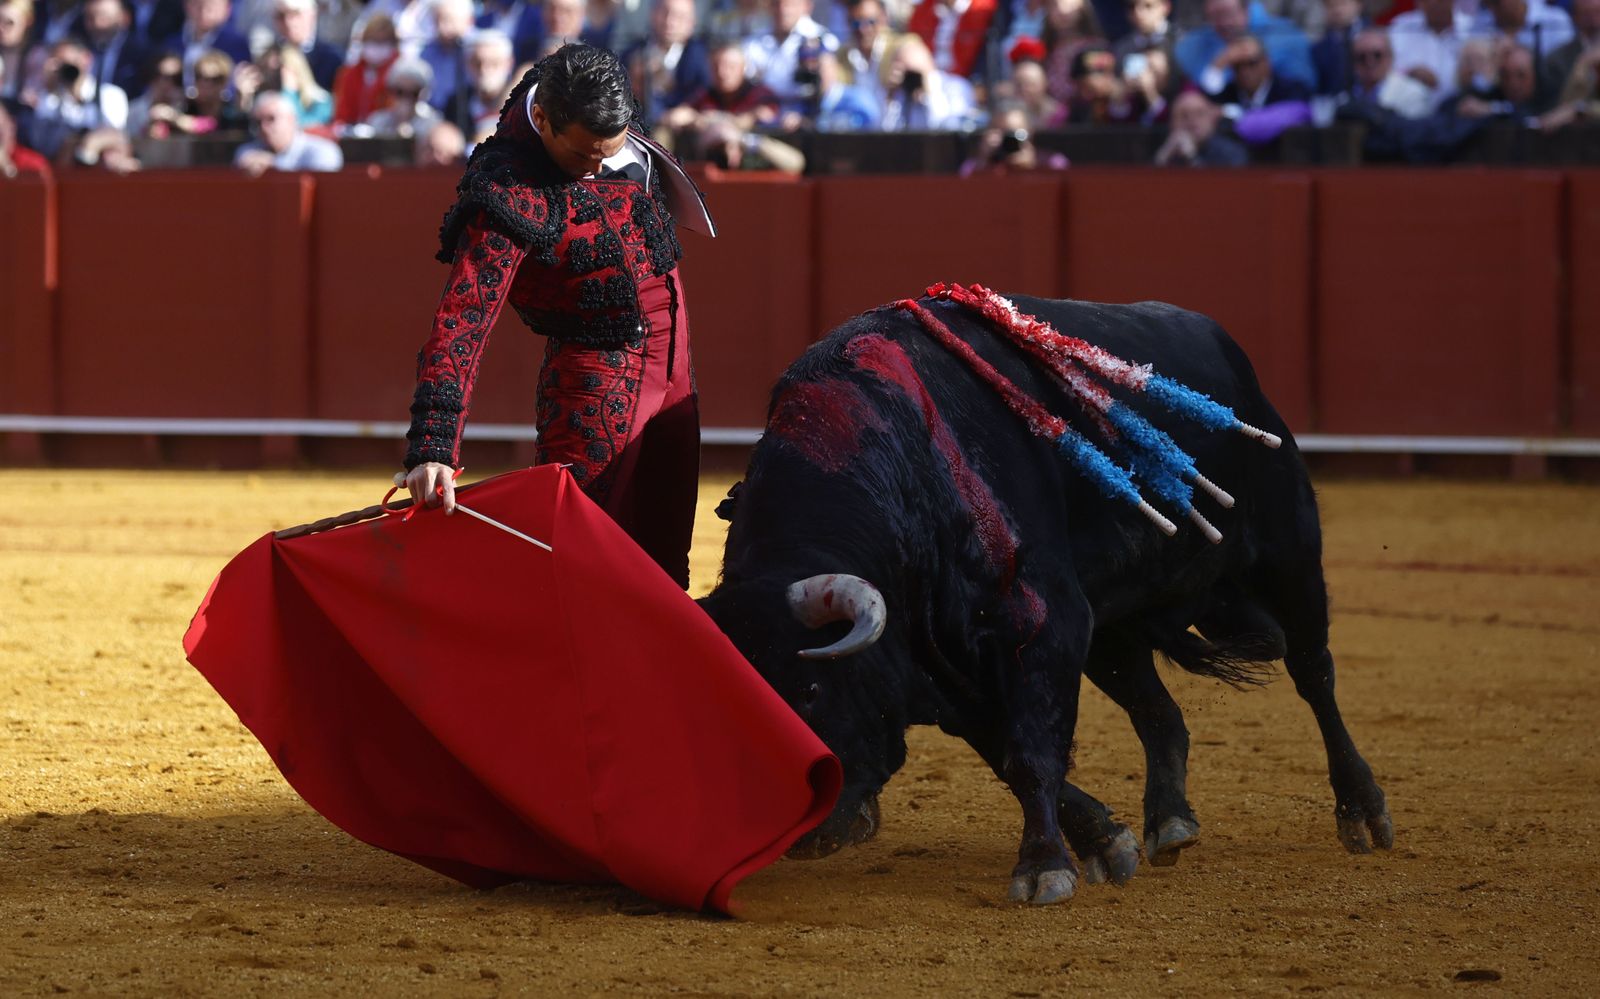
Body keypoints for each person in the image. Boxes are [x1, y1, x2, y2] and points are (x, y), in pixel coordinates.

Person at [402, 44, 716, 590]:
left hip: (675, 355)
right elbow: (463, 318)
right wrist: (433, 445)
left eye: (609, 151)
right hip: (598, 376)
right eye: (581, 156)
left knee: (664, 554)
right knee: (572, 550)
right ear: (543, 120)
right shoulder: (508, 185)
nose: (598, 167)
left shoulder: (595, 95)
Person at [1388, 0, 1472, 111]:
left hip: (1461, 112)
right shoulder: (1401, 28)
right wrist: (1408, 74)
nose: (1433, 3)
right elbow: (1382, 68)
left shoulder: (1472, 29)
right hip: (1407, 111)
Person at [234, 88, 344, 171]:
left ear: (291, 119)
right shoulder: (248, 152)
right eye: (258, 122)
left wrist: (274, 164)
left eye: (271, 119)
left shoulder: (323, 151)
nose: (263, 127)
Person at [1346, 27, 1432, 119]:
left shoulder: (1413, 94)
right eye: (1362, 57)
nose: (1370, 62)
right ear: (1353, 62)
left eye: (1377, 55)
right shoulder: (1344, 97)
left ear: (1390, 57)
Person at [1154, 87, 1248, 164]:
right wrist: (1161, 159)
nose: (1191, 121)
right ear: (1171, 123)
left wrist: (1192, 158)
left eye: (1199, 114)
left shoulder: (1231, 153)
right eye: (1184, 115)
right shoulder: (1160, 149)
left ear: (1212, 120)